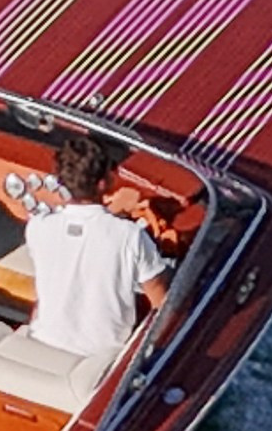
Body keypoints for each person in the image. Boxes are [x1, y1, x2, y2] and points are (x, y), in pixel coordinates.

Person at [24, 128, 168, 361]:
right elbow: (162, 303)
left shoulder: (38, 227)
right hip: (101, 358)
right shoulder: (130, 236)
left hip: (42, 343)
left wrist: (114, 211)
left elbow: (83, 237)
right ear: (104, 183)